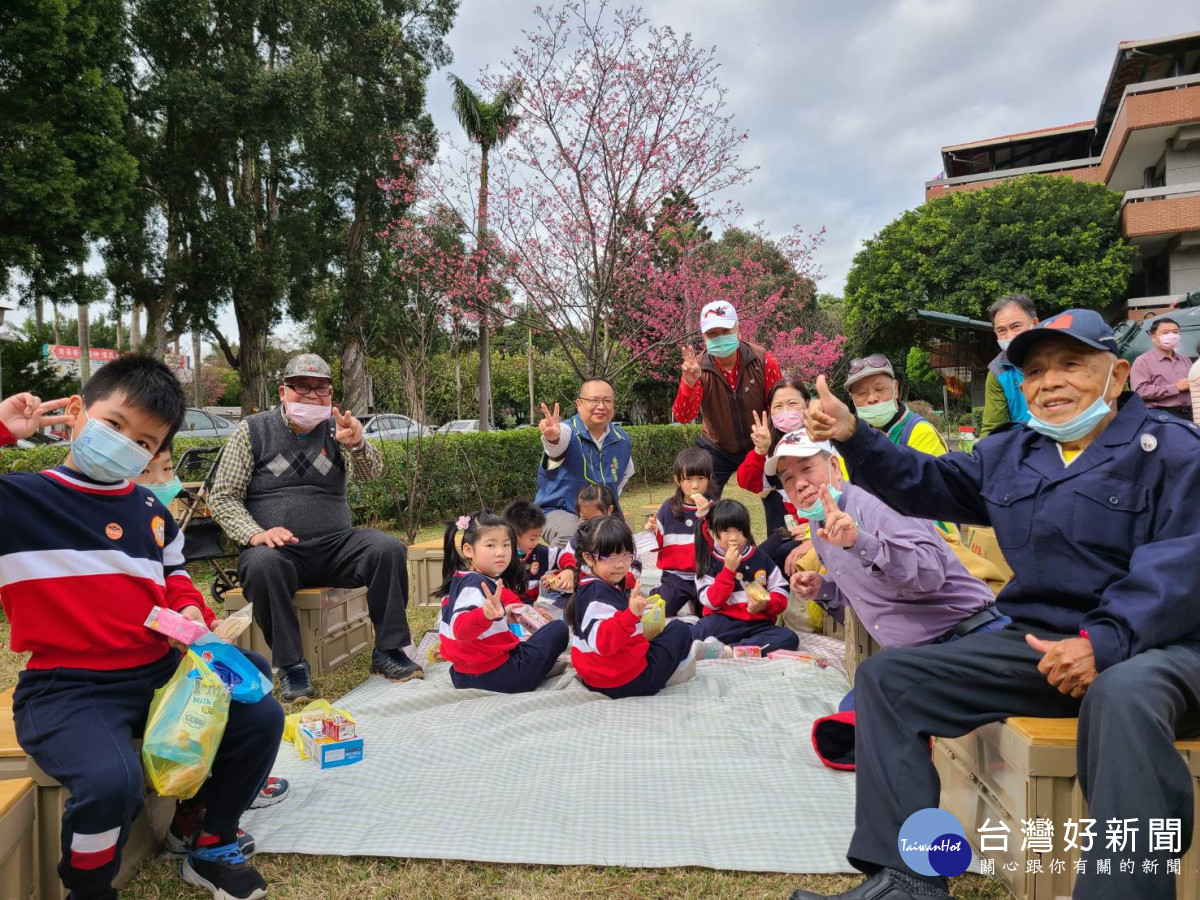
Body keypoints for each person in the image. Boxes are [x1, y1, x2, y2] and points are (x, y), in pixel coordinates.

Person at [793, 309, 1200, 900]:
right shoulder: (1013, 452)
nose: (1050, 382)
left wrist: (1102, 644)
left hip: (1160, 645)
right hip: (1043, 645)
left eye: (1071, 366)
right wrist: (855, 436)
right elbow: (924, 482)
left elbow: (1181, 570)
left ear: (1115, 376)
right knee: (889, 680)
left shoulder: (1172, 451)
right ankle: (910, 880)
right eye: (1035, 371)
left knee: (1123, 691)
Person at [0, 361, 284, 900]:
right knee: (113, 782)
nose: (125, 444)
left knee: (260, 707)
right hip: (68, 688)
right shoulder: (17, 501)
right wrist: (4, 429)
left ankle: (208, 838)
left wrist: (191, 610)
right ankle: (89, 888)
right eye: (114, 423)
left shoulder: (151, 510)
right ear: (77, 412)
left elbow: (174, 578)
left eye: (145, 441)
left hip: (158, 671)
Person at [209, 353, 421, 702]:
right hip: (278, 550)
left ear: (331, 395)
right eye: (301, 387)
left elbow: (372, 476)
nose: (311, 396)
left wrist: (356, 444)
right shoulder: (253, 430)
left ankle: (389, 650)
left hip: (336, 545)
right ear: (282, 391)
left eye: (320, 389)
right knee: (261, 564)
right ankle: (292, 668)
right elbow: (223, 497)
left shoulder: (337, 429)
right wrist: (256, 534)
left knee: (387, 548)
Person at [133, 448, 291, 813]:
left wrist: (202, 618)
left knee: (254, 668)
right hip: (149, 653)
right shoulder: (120, 524)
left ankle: (237, 776)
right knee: (243, 691)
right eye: (145, 471)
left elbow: (176, 581)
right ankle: (208, 797)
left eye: (168, 468)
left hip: (177, 642)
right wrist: (174, 630)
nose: (161, 480)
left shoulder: (158, 520)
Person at [672, 300, 786, 532]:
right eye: (713, 333)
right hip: (716, 446)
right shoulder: (698, 368)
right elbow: (684, 416)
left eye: (725, 331)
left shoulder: (763, 359)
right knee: (698, 500)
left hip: (761, 442)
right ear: (704, 337)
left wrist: (772, 440)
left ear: (738, 329)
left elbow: (779, 405)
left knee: (780, 498)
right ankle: (701, 554)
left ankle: (782, 553)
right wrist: (689, 383)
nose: (720, 337)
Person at [434, 511, 569, 693]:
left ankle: (538, 665)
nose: (501, 552)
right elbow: (461, 630)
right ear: (468, 550)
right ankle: (540, 669)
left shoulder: (462, 579)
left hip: (461, 676)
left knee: (528, 638)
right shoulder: (474, 585)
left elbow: (509, 602)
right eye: (490, 545)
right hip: (500, 677)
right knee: (558, 630)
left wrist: (519, 614)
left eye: (506, 545)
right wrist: (485, 615)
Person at [567, 516, 695, 699]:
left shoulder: (591, 585)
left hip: (596, 678)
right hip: (628, 682)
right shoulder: (597, 596)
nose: (620, 564)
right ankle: (673, 672)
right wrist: (631, 615)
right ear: (588, 558)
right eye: (610, 557)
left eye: (626, 555)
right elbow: (603, 642)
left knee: (660, 632)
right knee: (680, 630)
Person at [533, 377, 634, 548]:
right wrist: (552, 439)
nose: (601, 406)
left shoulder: (621, 439)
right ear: (579, 404)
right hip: (558, 510)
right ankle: (560, 573)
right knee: (574, 534)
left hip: (603, 513)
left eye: (607, 401)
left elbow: (623, 476)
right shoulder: (566, 432)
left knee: (623, 545)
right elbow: (554, 450)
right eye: (594, 400)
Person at [692, 498, 797, 655]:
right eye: (726, 531)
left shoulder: (760, 557)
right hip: (722, 621)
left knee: (789, 638)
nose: (734, 537)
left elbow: (781, 591)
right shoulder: (709, 561)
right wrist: (728, 570)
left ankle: (728, 651)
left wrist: (765, 605)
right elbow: (711, 602)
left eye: (739, 531)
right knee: (692, 634)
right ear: (713, 532)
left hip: (758, 623)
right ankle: (740, 647)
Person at [736, 376, 813, 571]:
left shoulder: (824, 443)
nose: (785, 411)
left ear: (808, 404)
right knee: (750, 565)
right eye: (778, 406)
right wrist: (760, 452)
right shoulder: (773, 450)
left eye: (792, 403)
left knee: (776, 562)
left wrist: (813, 531)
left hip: (819, 528)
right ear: (770, 411)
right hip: (790, 530)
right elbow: (747, 482)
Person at [645, 447, 715, 617]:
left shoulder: (714, 510)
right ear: (678, 480)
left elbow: (718, 543)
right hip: (675, 576)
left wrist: (705, 516)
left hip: (705, 576)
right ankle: (659, 592)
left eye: (701, 478)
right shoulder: (669, 508)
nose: (695, 485)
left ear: (710, 479)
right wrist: (652, 530)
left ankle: (696, 602)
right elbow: (656, 545)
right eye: (688, 479)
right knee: (661, 612)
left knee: (708, 615)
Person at [543, 484, 639, 597]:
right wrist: (561, 577)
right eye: (584, 519)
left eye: (596, 518)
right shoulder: (580, 537)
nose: (590, 524)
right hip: (585, 591)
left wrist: (601, 581)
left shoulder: (620, 537)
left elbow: (634, 572)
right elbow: (570, 560)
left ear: (609, 510)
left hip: (614, 593)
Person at [844, 355, 945, 455]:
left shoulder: (921, 433)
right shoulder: (855, 437)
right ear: (852, 398)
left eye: (879, 389)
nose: (872, 398)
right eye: (861, 393)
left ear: (895, 389)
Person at [980, 293, 1038, 438]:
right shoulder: (997, 371)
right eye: (1002, 330)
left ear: (1035, 324)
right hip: (1028, 446)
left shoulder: (1062, 357)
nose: (1010, 336)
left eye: (1016, 326)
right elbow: (993, 427)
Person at [1131, 316, 1193, 418]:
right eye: (1165, 333)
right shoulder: (1143, 361)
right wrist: (1175, 387)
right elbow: (1140, 391)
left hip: (1189, 414)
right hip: (1161, 416)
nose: (1172, 335)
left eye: (1175, 332)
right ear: (1153, 337)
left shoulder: (1185, 360)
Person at [502, 500, 561, 603]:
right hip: (505, 609)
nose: (536, 542)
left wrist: (568, 571)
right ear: (514, 536)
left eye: (539, 536)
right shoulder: (501, 557)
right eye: (532, 539)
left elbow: (563, 555)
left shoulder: (541, 552)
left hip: (529, 609)